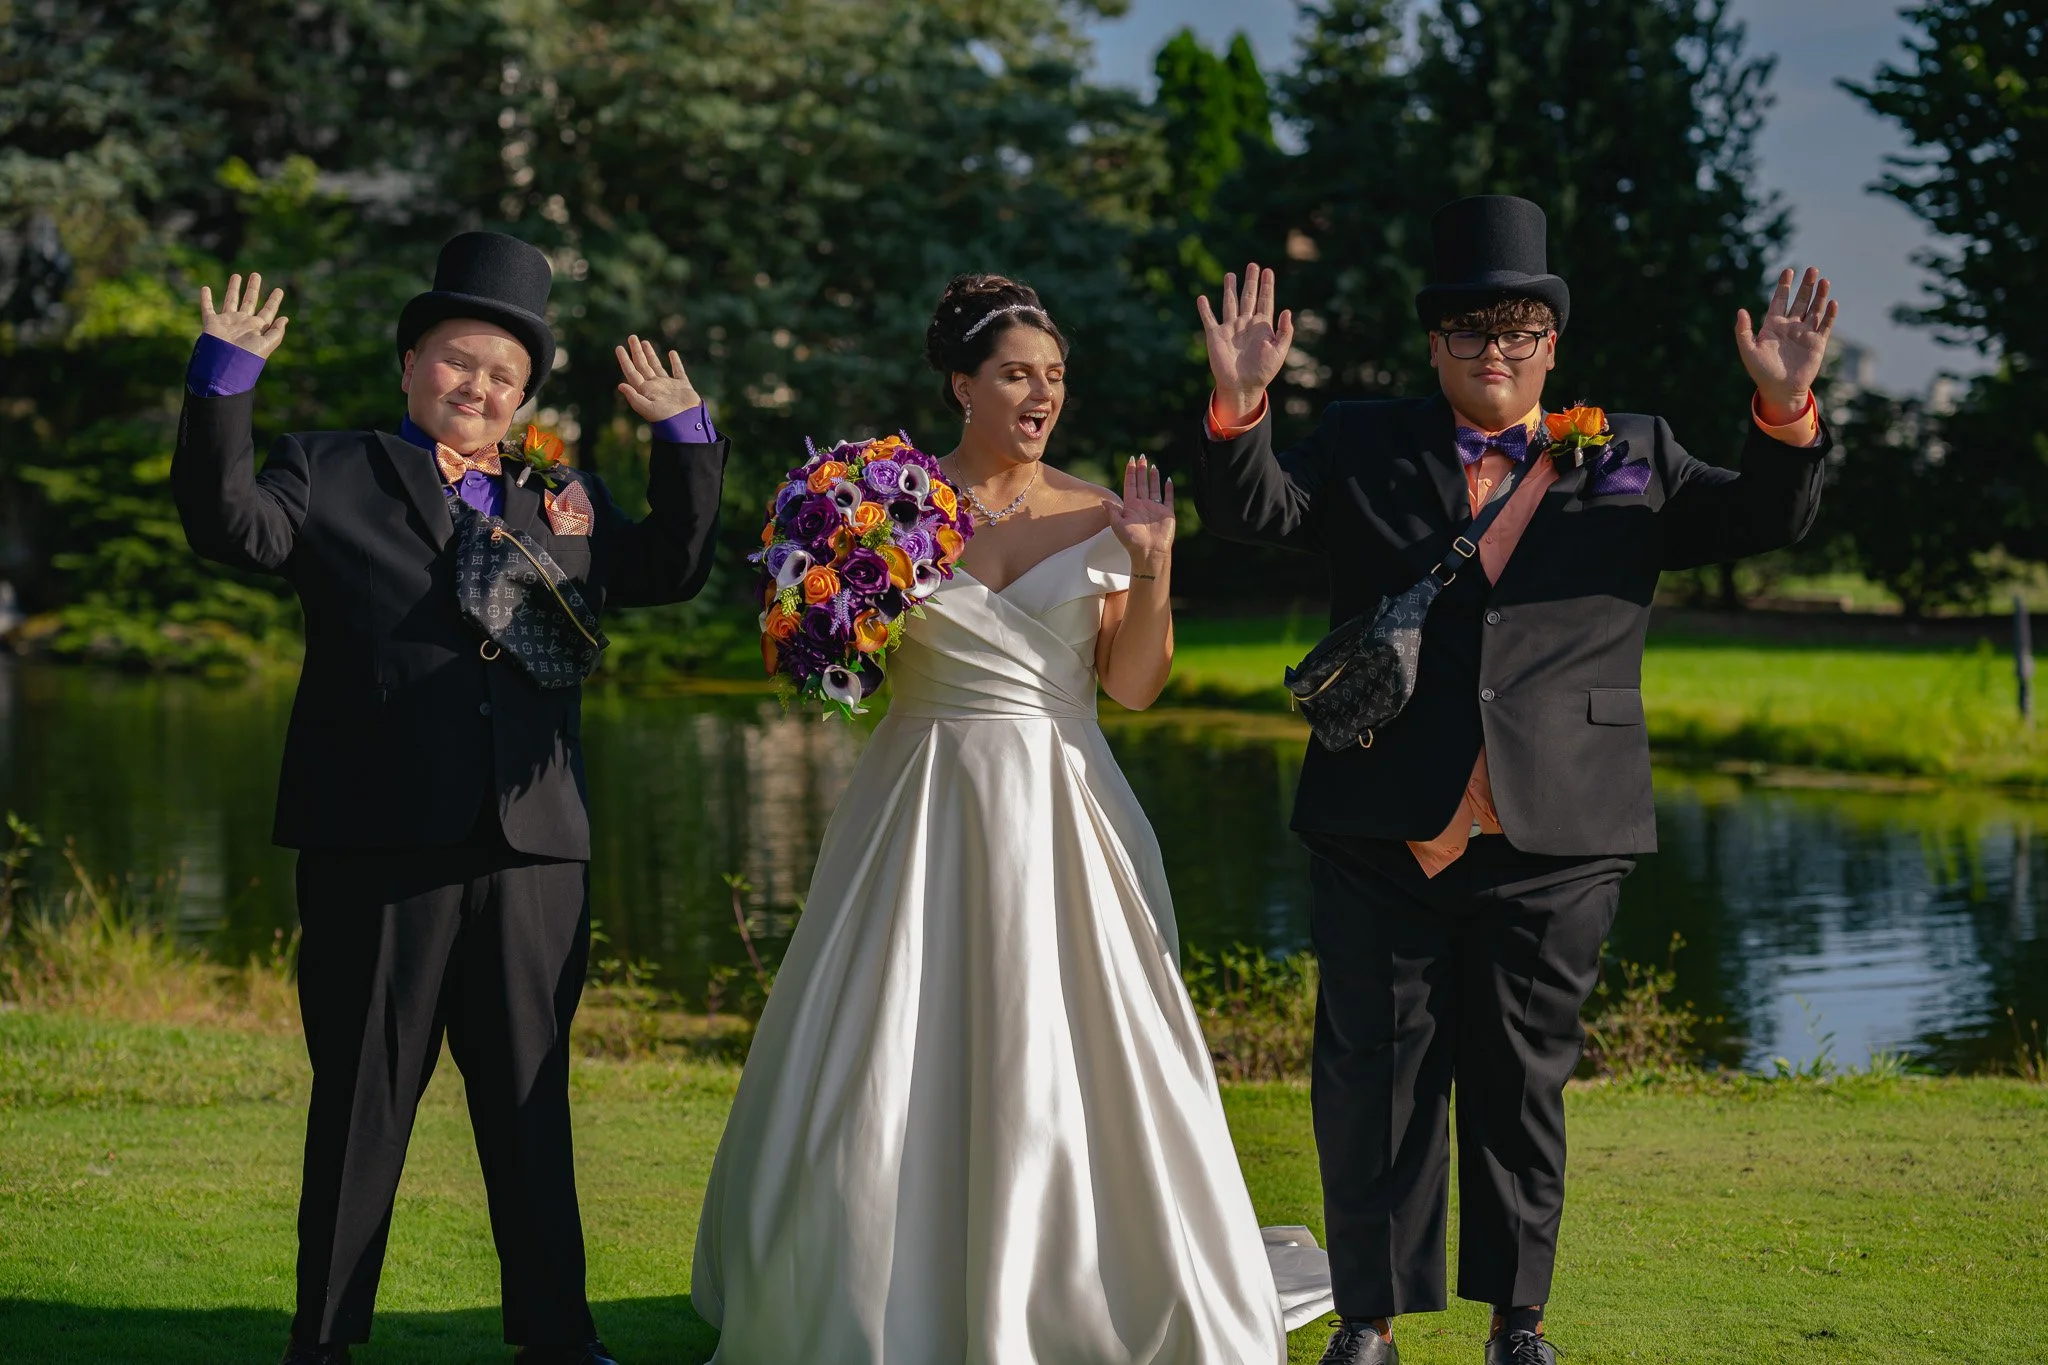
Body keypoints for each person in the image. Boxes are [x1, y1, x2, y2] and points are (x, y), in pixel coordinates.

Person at [1188, 196, 1837, 1365]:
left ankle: (1515, 1322)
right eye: (1470, 331)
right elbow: (1253, 512)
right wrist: (1239, 410)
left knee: (1519, 1085)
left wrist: (1784, 410)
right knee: (1371, 1082)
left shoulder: (1630, 450)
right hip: (1380, 822)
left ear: (1551, 344)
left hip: (1560, 831)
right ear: (1433, 343)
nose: (1495, 351)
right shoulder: (1364, 440)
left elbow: (1763, 517)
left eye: (1518, 331)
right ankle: (1369, 1321)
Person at [690, 274, 1289, 1363]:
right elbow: (851, 671)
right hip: (917, 799)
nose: (1040, 394)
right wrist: (826, 606)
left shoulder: (1102, 512)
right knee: (886, 1037)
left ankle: (1075, 1282)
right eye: (1015, 374)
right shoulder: (877, 508)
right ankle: (865, 1281)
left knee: (1068, 1037)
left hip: (1061, 803)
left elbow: (1135, 688)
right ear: (962, 386)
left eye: (1053, 376)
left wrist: (1151, 567)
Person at [171, 231, 728, 1365]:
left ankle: (557, 1337)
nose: (477, 387)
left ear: (524, 395)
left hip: (535, 848)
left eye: (502, 374)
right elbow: (228, 524)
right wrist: (223, 382)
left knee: (529, 1099)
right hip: (375, 841)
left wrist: (686, 436)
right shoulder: (328, 469)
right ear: (411, 362)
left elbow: (672, 567)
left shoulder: (564, 493)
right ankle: (324, 1340)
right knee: (362, 1101)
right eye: (457, 361)